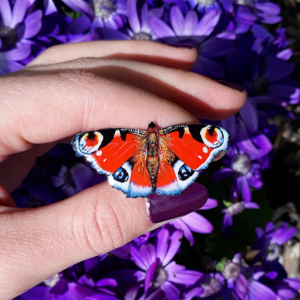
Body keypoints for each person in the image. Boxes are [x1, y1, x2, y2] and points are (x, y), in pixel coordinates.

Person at [0, 40, 246, 299]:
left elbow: (96, 142)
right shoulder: (177, 137)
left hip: (134, 167)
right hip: (170, 165)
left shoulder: (126, 139)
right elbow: (207, 138)